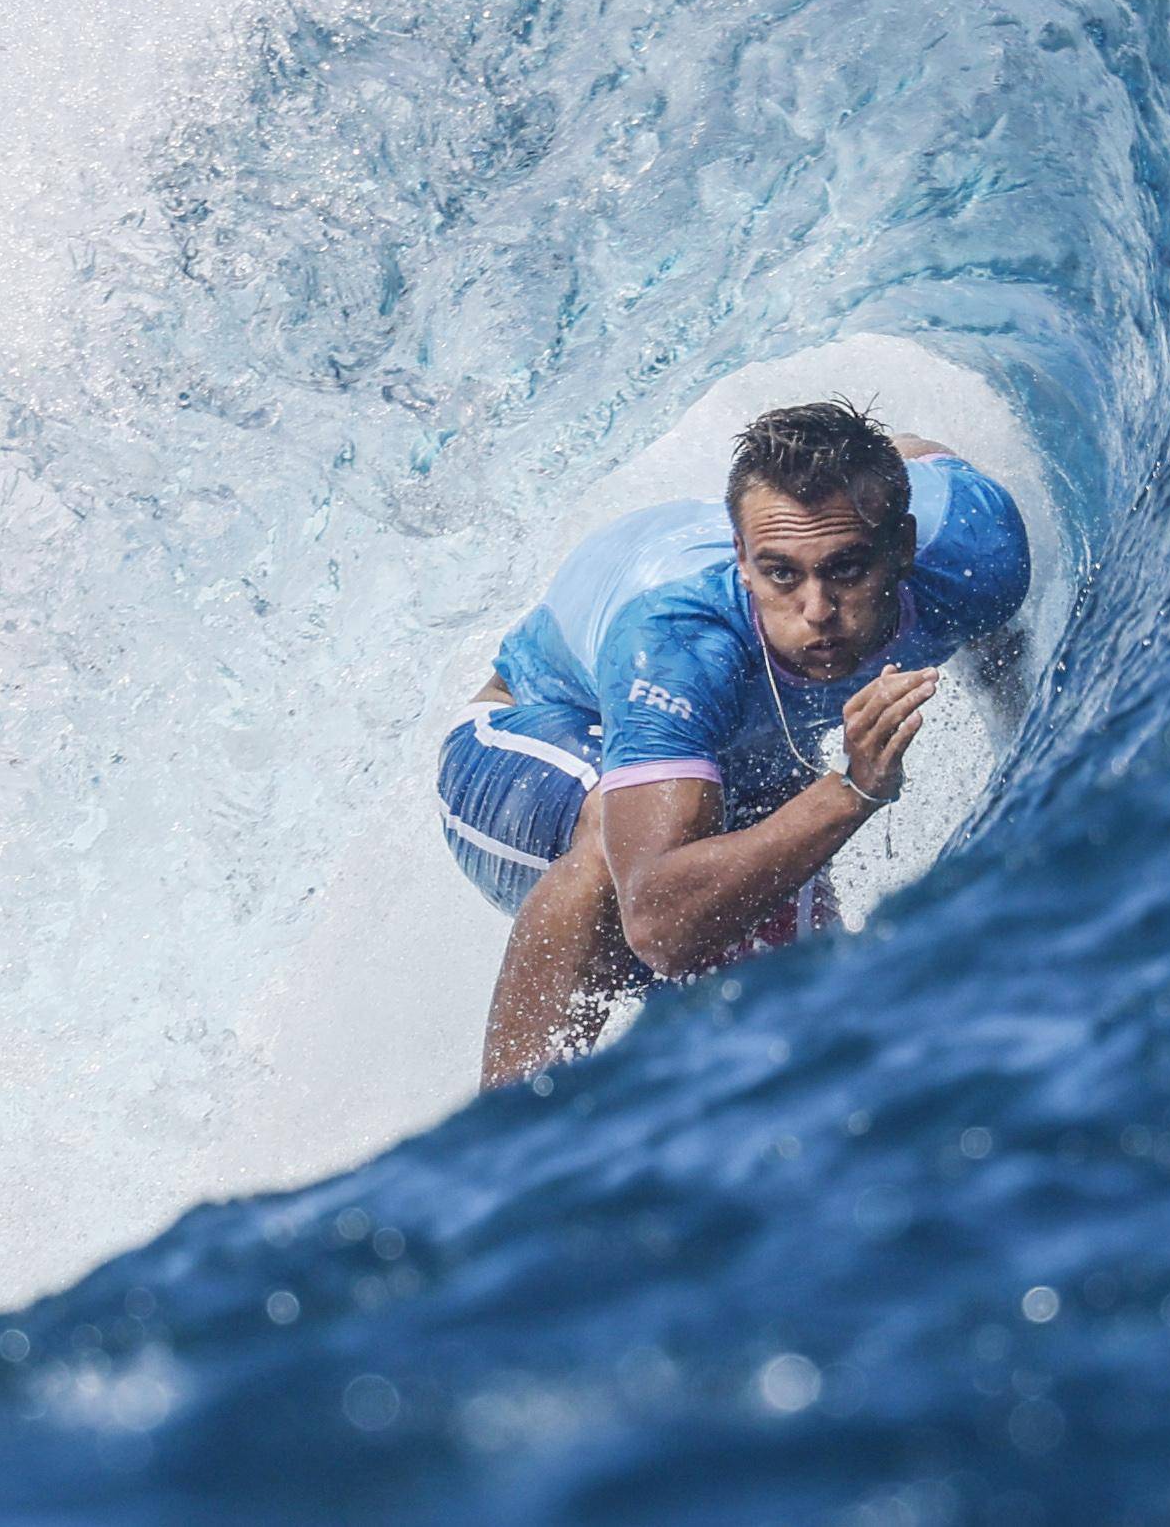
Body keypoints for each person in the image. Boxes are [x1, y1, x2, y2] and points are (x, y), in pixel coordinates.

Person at [438, 397, 1032, 1088]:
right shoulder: (678, 640)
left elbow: (922, 452)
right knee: (621, 841)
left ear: (900, 548)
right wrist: (852, 790)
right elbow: (657, 924)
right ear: (741, 561)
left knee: (797, 1021)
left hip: (734, 771)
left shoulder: (971, 547)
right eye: (781, 573)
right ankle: (513, 1137)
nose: (816, 611)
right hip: (521, 749)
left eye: (845, 568)